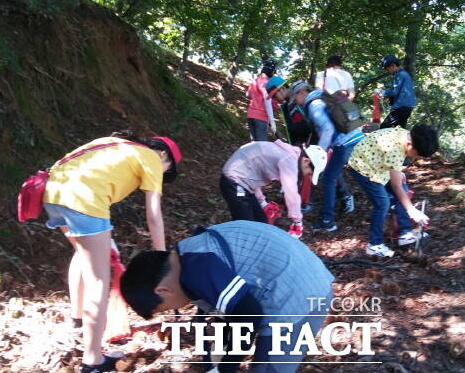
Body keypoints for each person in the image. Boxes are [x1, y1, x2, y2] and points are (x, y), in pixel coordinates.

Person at [41, 132, 182, 373]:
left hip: (52, 192)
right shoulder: (151, 158)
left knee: (82, 255)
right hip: (84, 201)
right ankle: (93, 361)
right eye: (167, 170)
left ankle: (77, 319)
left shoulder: (116, 144)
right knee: (99, 277)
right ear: (163, 155)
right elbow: (153, 216)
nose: (163, 175)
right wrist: (162, 259)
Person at [120, 220, 334, 373]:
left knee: (268, 367)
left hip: (299, 296)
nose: (176, 310)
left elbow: (249, 316)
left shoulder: (197, 271)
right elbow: (226, 312)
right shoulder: (187, 253)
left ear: (162, 290)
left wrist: (226, 367)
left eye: (165, 309)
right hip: (303, 278)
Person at [347, 125, 438, 257]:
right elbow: (396, 186)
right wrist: (412, 210)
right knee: (382, 204)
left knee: (404, 190)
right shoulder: (395, 150)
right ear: (409, 144)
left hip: (376, 163)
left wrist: (397, 172)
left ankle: (404, 233)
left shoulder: (407, 136)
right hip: (363, 167)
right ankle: (374, 245)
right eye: (416, 155)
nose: (415, 158)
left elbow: (394, 171)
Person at [288, 81, 365, 231]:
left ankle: (327, 220)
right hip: (356, 136)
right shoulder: (322, 98)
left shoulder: (313, 105)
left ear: (301, 93)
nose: (296, 103)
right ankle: (389, 199)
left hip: (345, 142)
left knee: (329, 178)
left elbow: (327, 129)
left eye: (295, 99)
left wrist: (319, 152)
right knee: (362, 173)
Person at [220, 140, 327, 238]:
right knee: (247, 230)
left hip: (242, 182)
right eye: (309, 172)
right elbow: (291, 193)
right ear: (306, 161)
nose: (307, 175)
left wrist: (262, 202)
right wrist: (298, 222)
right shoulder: (289, 160)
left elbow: (253, 172)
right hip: (234, 182)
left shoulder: (288, 154)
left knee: (262, 223)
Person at [374, 55, 416, 129]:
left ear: (393, 65)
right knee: (399, 130)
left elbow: (394, 92)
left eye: (387, 68)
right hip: (408, 107)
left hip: (401, 107)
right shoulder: (405, 74)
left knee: (384, 128)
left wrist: (381, 92)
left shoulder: (400, 75)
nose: (387, 71)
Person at [246, 60, 277, 141]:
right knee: (261, 144)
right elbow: (267, 102)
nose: (273, 75)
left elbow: (248, 94)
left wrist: (256, 98)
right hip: (261, 117)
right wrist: (272, 121)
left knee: (254, 143)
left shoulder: (255, 81)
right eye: (274, 72)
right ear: (271, 71)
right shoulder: (267, 83)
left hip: (250, 115)